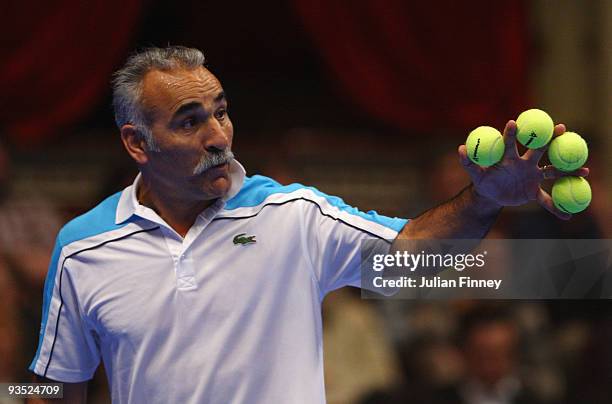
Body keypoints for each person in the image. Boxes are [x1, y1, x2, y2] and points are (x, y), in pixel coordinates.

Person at [28, 46, 588, 404]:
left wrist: (484, 198)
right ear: (136, 143)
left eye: (221, 111)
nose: (218, 136)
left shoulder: (291, 216)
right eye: (189, 122)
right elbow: (50, 387)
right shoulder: (82, 248)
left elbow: (415, 251)